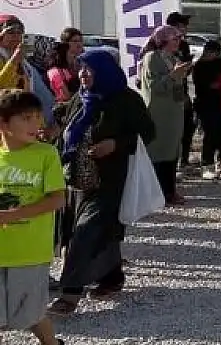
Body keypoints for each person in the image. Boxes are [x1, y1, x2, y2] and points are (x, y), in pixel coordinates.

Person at [49, 49, 155, 315]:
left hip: (108, 180)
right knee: (93, 231)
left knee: (85, 233)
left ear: (104, 71)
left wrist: (116, 143)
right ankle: (112, 277)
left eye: (89, 69)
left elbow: (148, 133)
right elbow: (68, 128)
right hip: (75, 178)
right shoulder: (80, 98)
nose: (83, 74)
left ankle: (69, 294)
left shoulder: (126, 99)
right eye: (81, 68)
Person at [0, 90, 65, 345]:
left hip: (30, 252)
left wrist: (12, 214)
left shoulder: (46, 154)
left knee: (31, 314)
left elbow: (57, 199)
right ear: (4, 123)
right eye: (26, 118)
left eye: (37, 117)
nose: (36, 124)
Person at [138, 26, 189, 204]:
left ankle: (169, 191)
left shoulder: (173, 58)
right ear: (164, 40)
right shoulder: (152, 58)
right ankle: (156, 193)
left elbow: (175, 85)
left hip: (173, 112)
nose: (178, 42)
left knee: (172, 151)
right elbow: (154, 87)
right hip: (158, 113)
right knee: (158, 152)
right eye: (174, 39)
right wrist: (174, 76)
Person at [192, 41, 221, 180]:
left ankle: (220, 164)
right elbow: (208, 85)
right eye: (215, 53)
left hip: (220, 104)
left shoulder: (218, 63)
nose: (216, 56)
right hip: (205, 104)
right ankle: (206, 165)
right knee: (209, 135)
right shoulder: (199, 66)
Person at [166, 12, 197, 171]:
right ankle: (171, 163)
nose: (185, 29)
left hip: (182, 90)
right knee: (171, 129)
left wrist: (188, 66)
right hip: (167, 92)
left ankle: (183, 160)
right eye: (182, 26)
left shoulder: (184, 45)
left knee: (187, 125)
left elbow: (185, 71)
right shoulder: (160, 45)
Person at [47, 29, 83, 103]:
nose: (79, 44)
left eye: (80, 41)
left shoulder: (83, 65)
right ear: (65, 44)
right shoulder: (56, 71)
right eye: (75, 41)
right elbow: (66, 97)